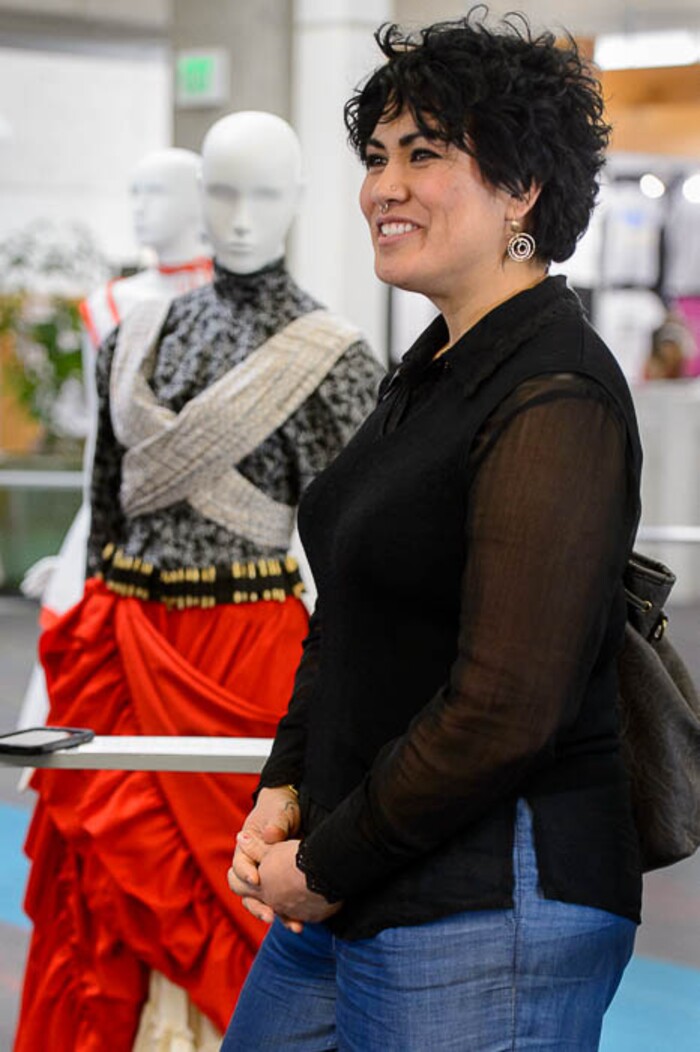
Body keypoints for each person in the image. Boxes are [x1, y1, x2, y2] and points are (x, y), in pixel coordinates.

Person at [224, 13, 644, 1051]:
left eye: (425, 154)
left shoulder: (554, 391)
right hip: (368, 864)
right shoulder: (434, 371)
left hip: (493, 897)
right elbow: (352, 604)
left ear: (522, 189)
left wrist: (323, 863)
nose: (384, 186)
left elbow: (505, 705)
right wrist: (286, 784)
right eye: (375, 157)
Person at [14, 112, 383, 1052]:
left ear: (301, 201)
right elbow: (106, 515)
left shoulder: (337, 358)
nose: (242, 215)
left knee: (239, 898)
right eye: (223, 190)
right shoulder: (130, 336)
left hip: (245, 656)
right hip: (118, 645)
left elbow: (357, 560)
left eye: (266, 192)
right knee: (100, 890)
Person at [17, 147, 212, 732]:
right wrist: (77, 547)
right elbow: (100, 443)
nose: (140, 208)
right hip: (120, 530)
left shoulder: (243, 301)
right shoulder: (107, 306)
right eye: (134, 192)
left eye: (156, 192)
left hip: (219, 542)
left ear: (198, 199)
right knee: (101, 709)